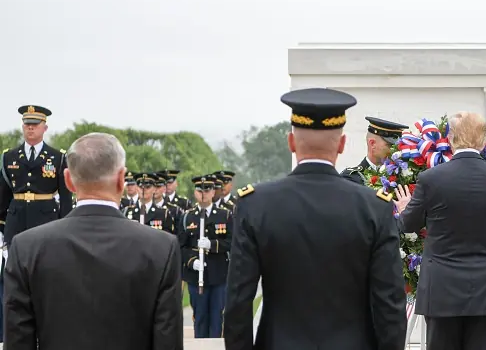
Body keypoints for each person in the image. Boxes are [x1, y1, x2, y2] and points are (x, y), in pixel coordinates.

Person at [224, 88, 408, 350]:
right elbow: (390, 307)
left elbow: (237, 304)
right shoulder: (374, 209)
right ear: (342, 145)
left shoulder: (256, 205)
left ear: (291, 142)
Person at [2, 132, 183, 350]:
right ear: (121, 179)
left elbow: (18, 342)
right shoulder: (161, 248)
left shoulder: (26, 247)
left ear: (68, 180)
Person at [395, 111, 486, 350]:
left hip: (442, 290)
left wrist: (405, 208)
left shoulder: (431, 179)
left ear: (452, 139)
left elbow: (408, 224)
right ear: (483, 141)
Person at [0, 105, 73, 247]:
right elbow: (3, 195)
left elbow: (65, 197)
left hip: (46, 220)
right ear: (22, 127)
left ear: (45, 128)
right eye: (27, 124)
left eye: (35, 124)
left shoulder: (57, 157)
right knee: (13, 266)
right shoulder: (9, 156)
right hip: (16, 222)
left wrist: (65, 226)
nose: (30, 128)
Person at [180, 174, 232, 338]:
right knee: (200, 318)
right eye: (199, 189)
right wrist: (191, 261)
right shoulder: (187, 217)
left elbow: (233, 242)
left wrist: (213, 245)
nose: (203, 193)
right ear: (195, 193)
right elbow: (180, 246)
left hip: (218, 275)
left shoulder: (225, 215)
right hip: (196, 277)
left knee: (217, 318)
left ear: (213, 192)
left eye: (207, 189)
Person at [340, 116, 408, 184]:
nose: (395, 150)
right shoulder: (352, 178)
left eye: (397, 146)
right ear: (372, 144)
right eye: (390, 145)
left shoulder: (402, 176)